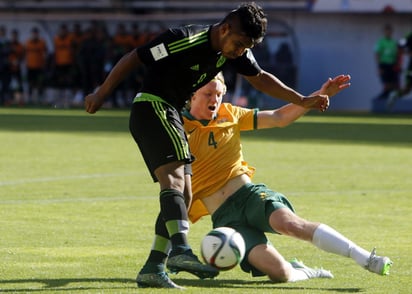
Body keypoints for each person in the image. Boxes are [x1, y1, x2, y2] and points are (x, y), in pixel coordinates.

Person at [84, 2, 329, 289]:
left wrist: (301, 100)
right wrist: (101, 93)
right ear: (225, 28)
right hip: (153, 107)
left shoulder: (231, 51)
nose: (240, 51)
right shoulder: (183, 39)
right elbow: (133, 58)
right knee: (176, 183)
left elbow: (260, 78)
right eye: (238, 44)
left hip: (169, 112)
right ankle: (180, 251)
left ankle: (153, 267)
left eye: (245, 47)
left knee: (186, 194)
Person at [182, 73, 393, 284]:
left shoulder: (230, 113)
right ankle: (305, 270)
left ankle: (365, 258)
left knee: (290, 224)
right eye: (208, 94)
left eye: (219, 94)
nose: (215, 100)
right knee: (280, 273)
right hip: (225, 219)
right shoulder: (177, 128)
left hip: (249, 197)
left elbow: (278, 117)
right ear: (192, 95)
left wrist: (319, 95)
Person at [374, 24, 400, 100]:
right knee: (386, 82)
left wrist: (398, 65)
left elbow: (398, 55)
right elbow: (377, 54)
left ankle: (393, 98)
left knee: (394, 83)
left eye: (390, 31)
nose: (388, 33)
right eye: (387, 31)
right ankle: (385, 96)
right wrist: (379, 66)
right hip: (384, 65)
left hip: (392, 65)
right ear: (384, 32)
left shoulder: (394, 42)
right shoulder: (381, 42)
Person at [24, 27, 48, 105]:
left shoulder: (42, 42)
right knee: (30, 83)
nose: (35, 35)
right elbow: (24, 54)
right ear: (32, 34)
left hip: (39, 67)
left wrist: (44, 63)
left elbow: (46, 53)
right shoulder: (28, 42)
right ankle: (30, 99)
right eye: (33, 33)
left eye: (36, 33)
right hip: (30, 67)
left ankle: (40, 99)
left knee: (40, 83)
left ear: (38, 34)